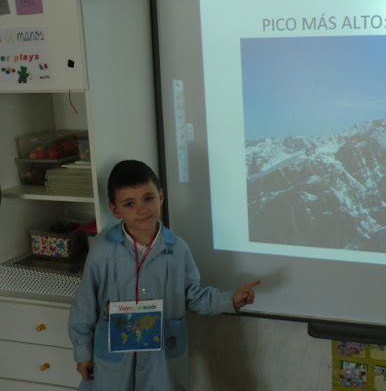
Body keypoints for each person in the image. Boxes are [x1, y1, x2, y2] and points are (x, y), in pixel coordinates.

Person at [68, 159, 260, 391]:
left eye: (148, 198)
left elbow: (193, 295)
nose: (142, 209)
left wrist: (230, 299)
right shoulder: (102, 251)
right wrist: (83, 353)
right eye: (129, 203)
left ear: (160, 196)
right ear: (115, 210)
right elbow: (85, 305)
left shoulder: (178, 249)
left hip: (161, 365)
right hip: (114, 365)